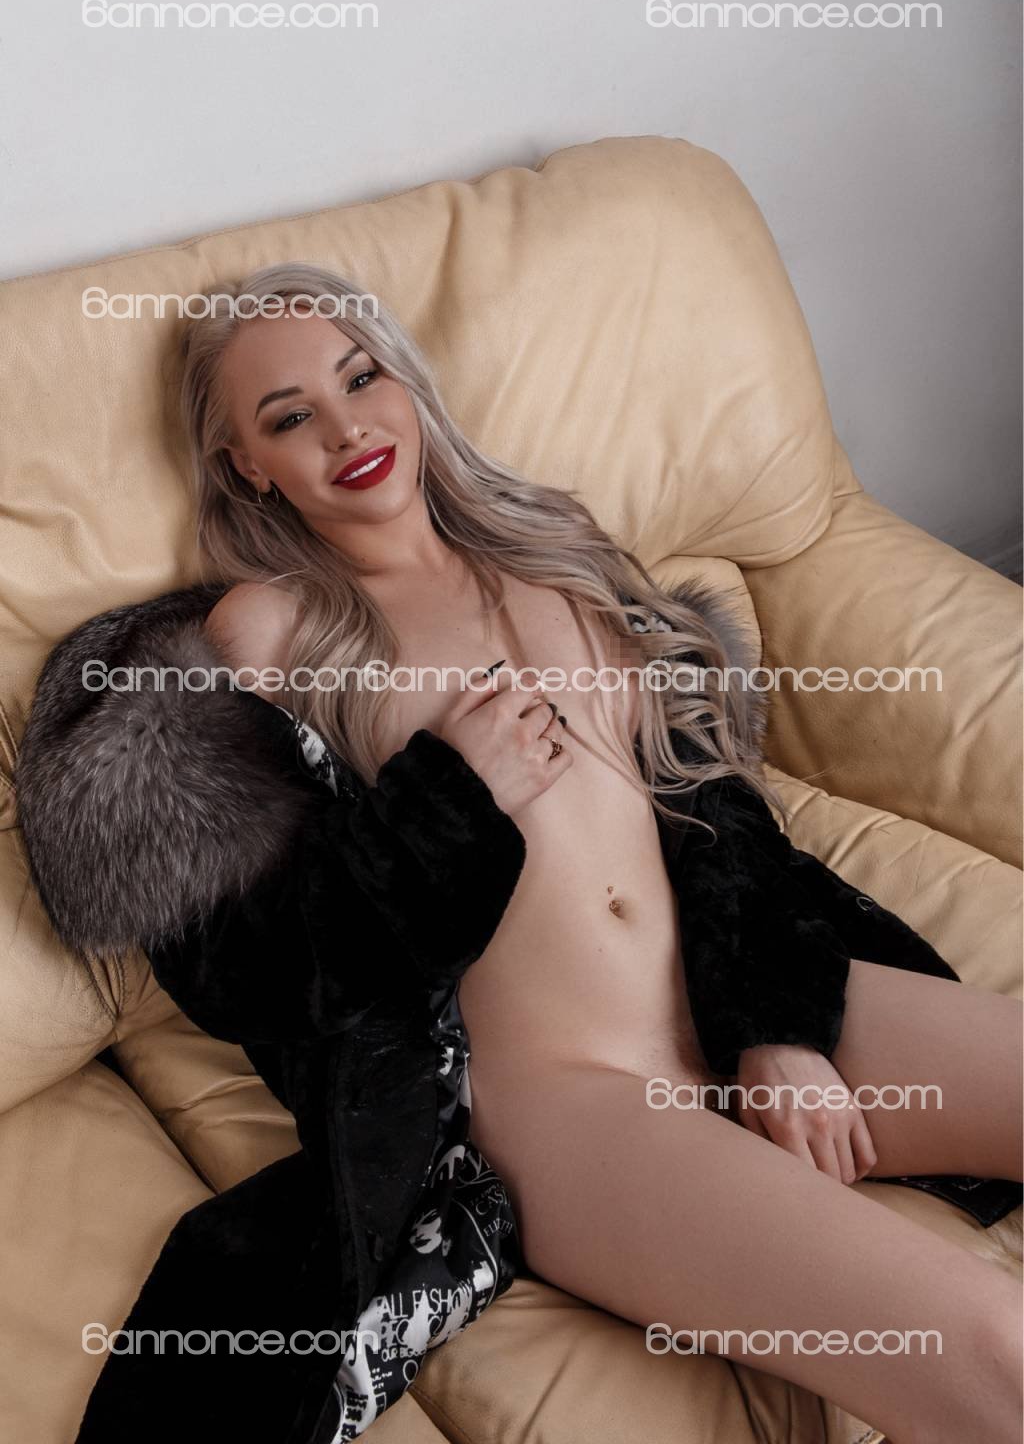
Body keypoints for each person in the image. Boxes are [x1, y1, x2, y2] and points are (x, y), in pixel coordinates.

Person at [16, 264, 1022, 1444]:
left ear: (406, 383)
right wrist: (455, 789)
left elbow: (710, 797)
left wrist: (775, 1027)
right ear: (247, 465)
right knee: (987, 1343)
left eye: (360, 378)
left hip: (728, 992)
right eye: (290, 417)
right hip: (576, 1108)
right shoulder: (270, 629)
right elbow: (274, 967)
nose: (346, 429)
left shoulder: (551, 544)